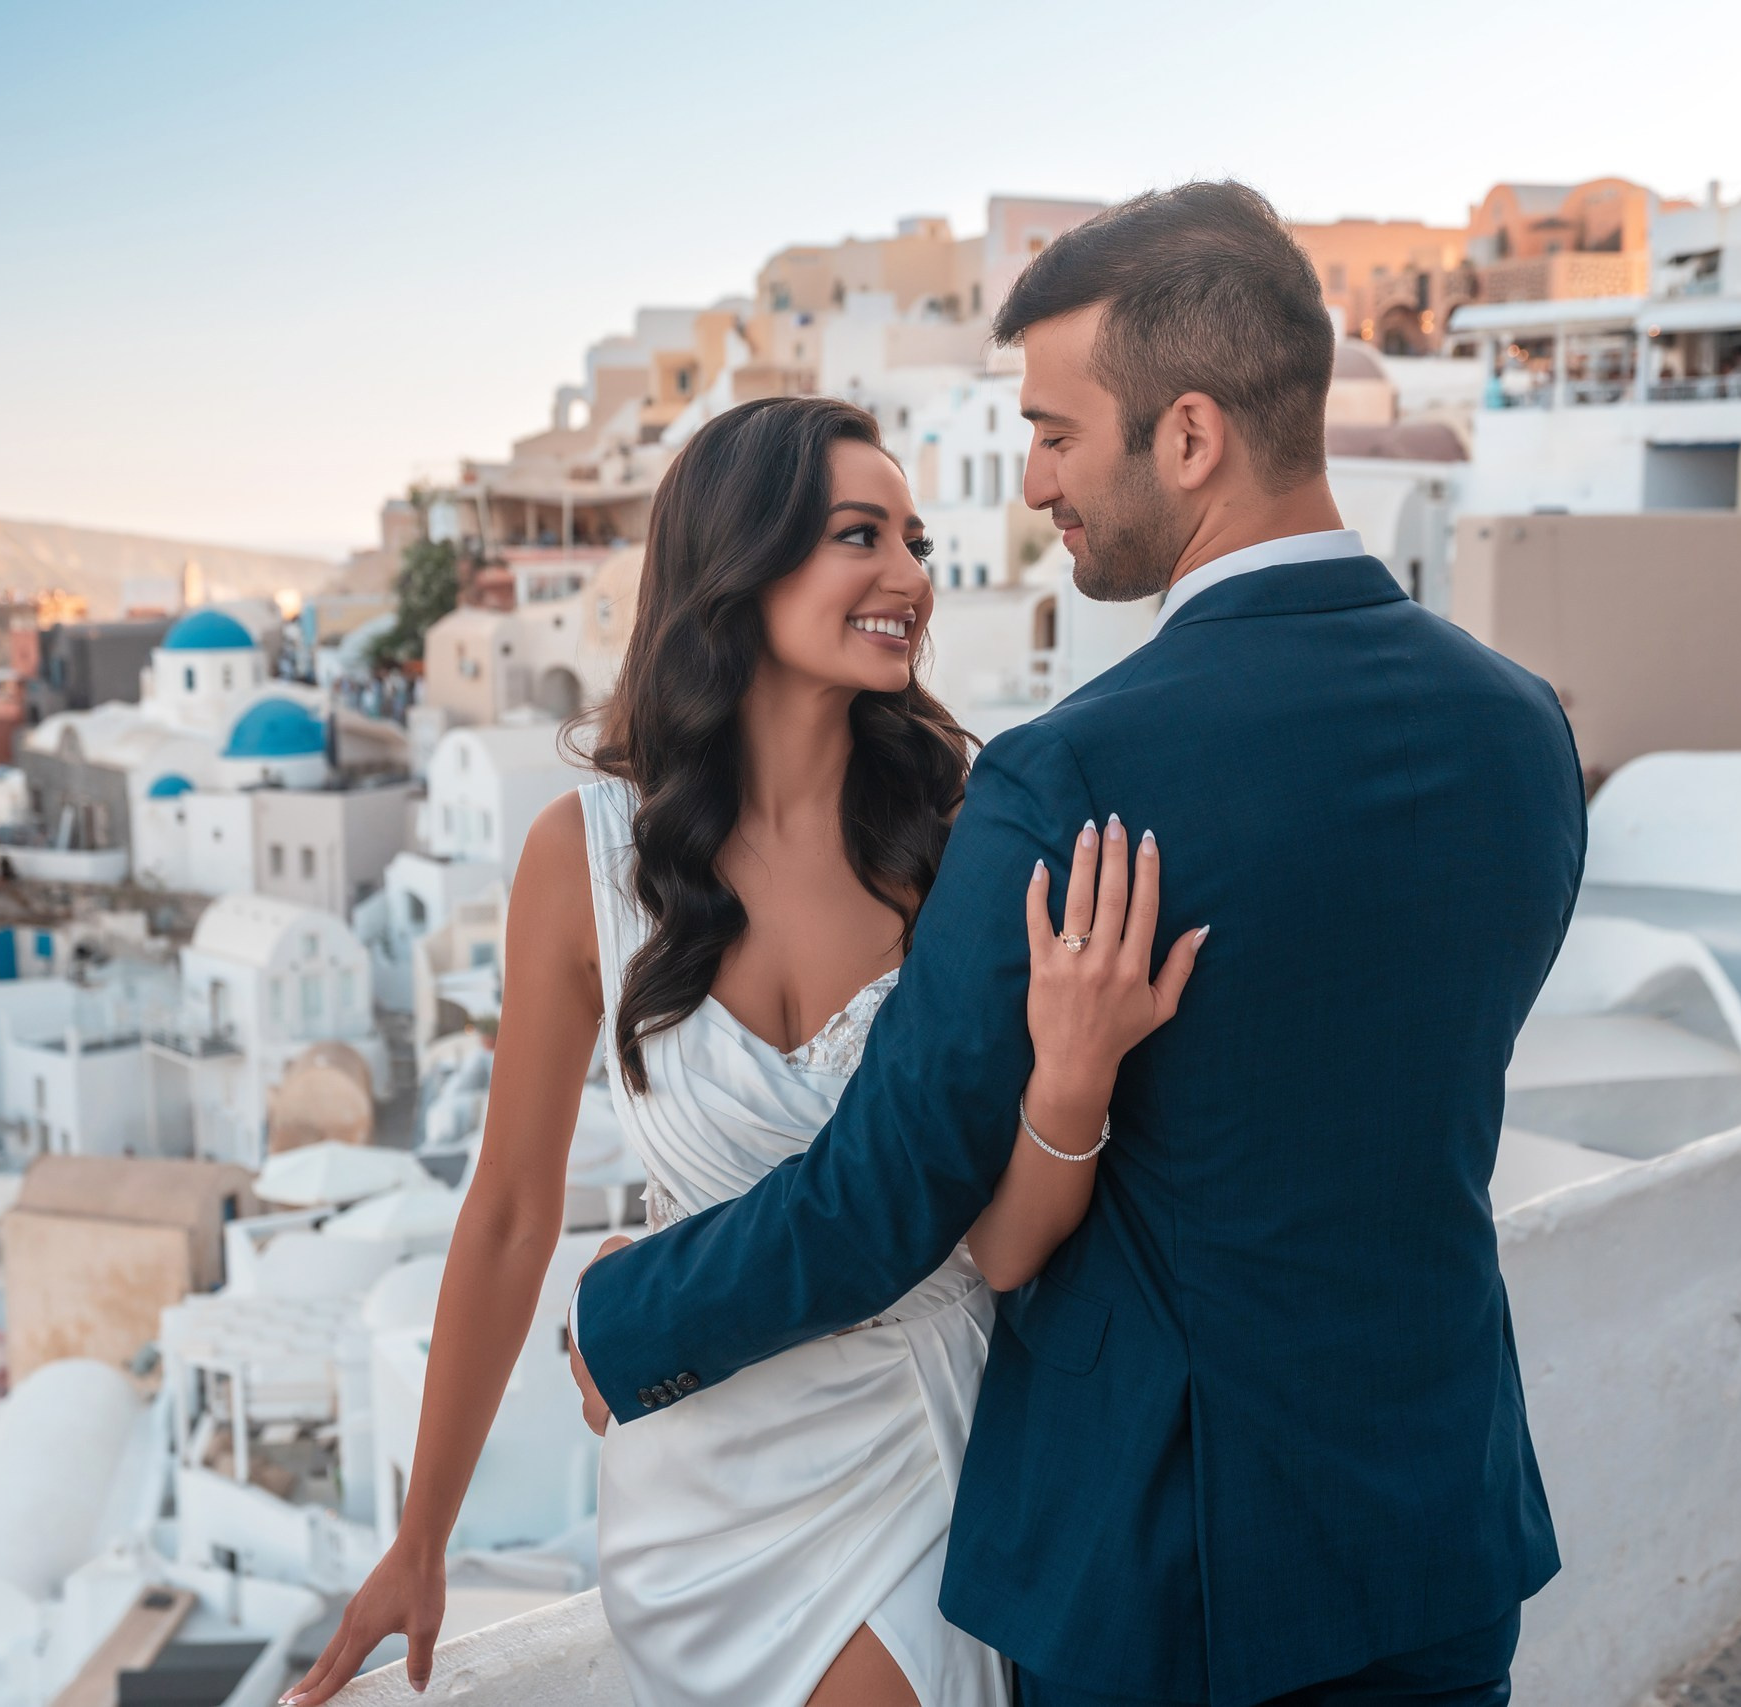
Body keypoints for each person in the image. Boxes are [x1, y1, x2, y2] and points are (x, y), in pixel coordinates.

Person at [570, 182, 1586, 1706]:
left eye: (1056, 432)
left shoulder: (1076, 778)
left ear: (1189, 438)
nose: (1034, 480)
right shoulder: (1522, 733)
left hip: (1169, 1575)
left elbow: (886, 1194)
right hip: (1436, 1528)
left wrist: (622, 1316)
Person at [282, 392, 1202, 1707]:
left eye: (917, 541)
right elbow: (509, 1211)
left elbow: (1007, 1236)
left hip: (911, 1457)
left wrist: (1072, 1078)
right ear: (741, 563)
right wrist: (422, 1538)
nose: (910, 577)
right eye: (859, 536)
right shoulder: (582, 857)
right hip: (688, 1495)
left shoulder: (964, 838)